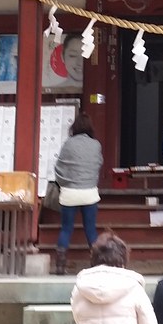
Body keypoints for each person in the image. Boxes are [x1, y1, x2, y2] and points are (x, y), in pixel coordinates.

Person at [53, 112, 103, 275]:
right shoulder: (96, 145)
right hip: (89, 192)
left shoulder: (68, 144)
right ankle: (97, 265)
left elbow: (59, 167)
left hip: (69, 193)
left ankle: (60, 266)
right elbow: (98, 164)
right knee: (91, 230)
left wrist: (64, 183)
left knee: (66, 229)